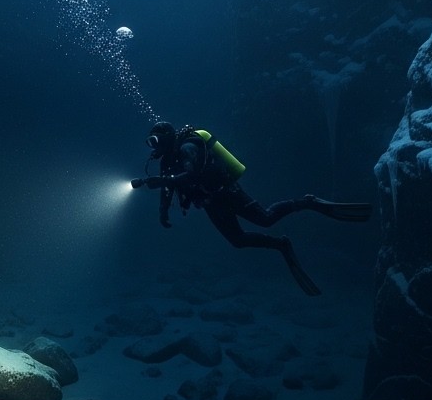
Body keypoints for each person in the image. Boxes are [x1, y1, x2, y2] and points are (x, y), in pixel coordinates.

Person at [131, 121, 372, 296]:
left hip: (227, 192)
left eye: (155, 141)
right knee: (238, 240)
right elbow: (168, 188)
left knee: (266, 218)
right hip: (211, 203)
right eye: (150, 142)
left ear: (167, 138)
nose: (153, 147)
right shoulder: (166, 160)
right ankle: (280, 244)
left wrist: (162, 182)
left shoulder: (187, 148)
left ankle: (307, 202)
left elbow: (191, 173)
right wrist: (163, 210)